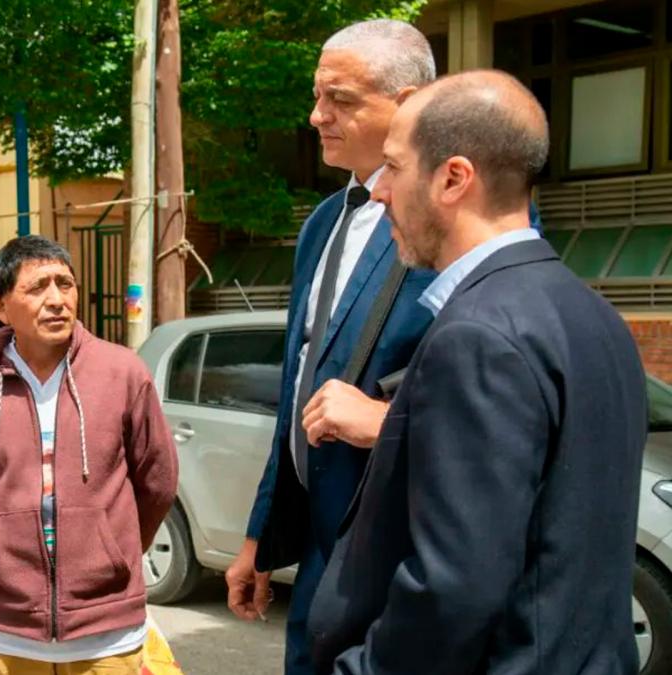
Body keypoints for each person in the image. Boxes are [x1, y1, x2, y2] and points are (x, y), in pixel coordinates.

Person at [308, 71, 647, 674]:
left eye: (395, 167)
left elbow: (454, 585)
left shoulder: (477, 336)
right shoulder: (594, 313)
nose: (380, 192)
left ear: (453, 178)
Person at [223, 20, 440, 675]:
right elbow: (299, 385)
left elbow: (493, 373)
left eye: (340, 99)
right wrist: (260, 537)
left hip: (401, 549)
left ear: (405, 104)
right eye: (317, 96)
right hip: (319, 548)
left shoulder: (455, 212)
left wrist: (390, 420)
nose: (317, 116)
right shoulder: (323, 222)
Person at [0, 236, 178, 675]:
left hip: (106, 630)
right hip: (2, 627)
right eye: (38, 288)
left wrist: (110, 549)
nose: (56, 300)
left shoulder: (122, 372)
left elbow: (157, 481)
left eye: (65, 284)